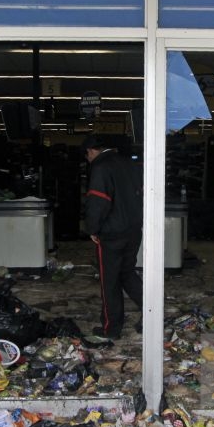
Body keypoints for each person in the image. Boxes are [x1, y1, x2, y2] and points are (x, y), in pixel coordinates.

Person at [83, 135, 144, 339]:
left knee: (109, 282)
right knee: (127, 273)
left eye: (87, 155)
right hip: (133, 230)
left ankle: (111, 328)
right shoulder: (129, 164)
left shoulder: (101, 168)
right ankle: (153, 313)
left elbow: (98, 203)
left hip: (112, 234)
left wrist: (93, 228)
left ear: (92, 151)